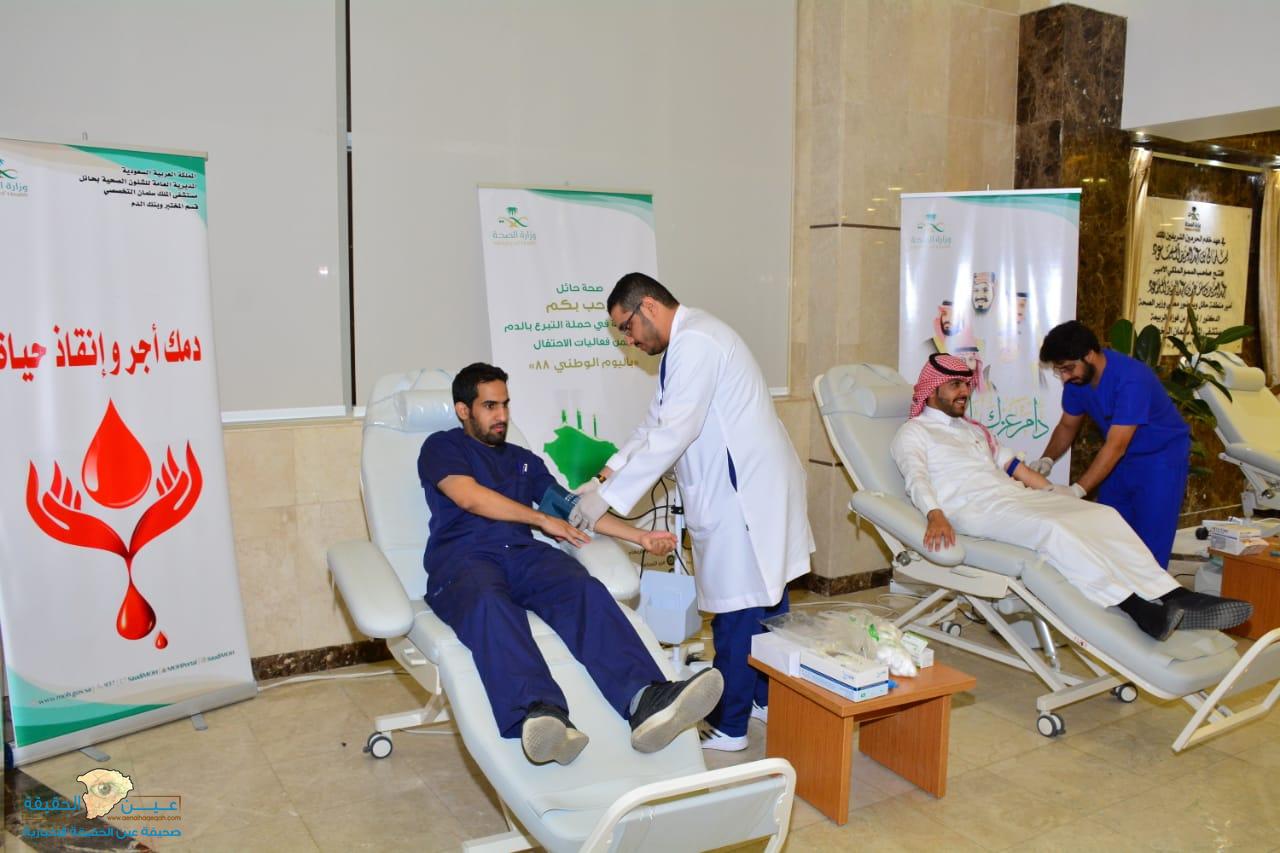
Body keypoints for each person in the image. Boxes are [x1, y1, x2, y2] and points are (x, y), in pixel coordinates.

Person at [419, 362, 724, 766]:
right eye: (490, 406)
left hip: (523, 556)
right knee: (491, 606)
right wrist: (541, 519)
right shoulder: (442, 447)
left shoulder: (523, 460)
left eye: (505, 404)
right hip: (463, 560)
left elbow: (571, 508)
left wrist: (639, 537)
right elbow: (469, 497)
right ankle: (542, 716)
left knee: (583, 588)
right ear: (463, 410)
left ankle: (645, 699)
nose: (502, 415)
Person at [569, 273, 813, 752]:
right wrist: (606, 476)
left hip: (742, 497)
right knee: (767, 602)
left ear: (649, 307)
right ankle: (764, 698)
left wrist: (608, 502)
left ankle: (729, 725)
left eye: (626, 327)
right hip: (748, 491)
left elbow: (674, 432)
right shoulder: (685, 344)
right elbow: (653, 424)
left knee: (739, 610)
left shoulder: (697, 342)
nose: (629, 341)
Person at [891, 354, 1250, 641]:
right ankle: (1140, 610)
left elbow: (1014, 466)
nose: (964, 392)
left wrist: (1056, 493)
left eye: (966, 385)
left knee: (1101, 515)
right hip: (970, 510)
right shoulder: (913, 433)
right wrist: (935, 514)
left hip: (1009, 497)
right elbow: (916, 478)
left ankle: (1171, 594)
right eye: (955, 385)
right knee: (1053, 529)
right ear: (932, 390)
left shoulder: (972, 429)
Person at [1029, 321, 1191, 568]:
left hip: (1160, 461)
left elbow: (1116, 446)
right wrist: (1047, 459)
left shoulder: (1132, 379)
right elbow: (1067, 426)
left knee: (1149, 544)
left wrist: (1077, 490)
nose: (1064, 377)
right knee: (1110, 533)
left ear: (1089, 355)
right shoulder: (1078, 381)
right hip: (1121, 462)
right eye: (1059, 371)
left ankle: (1151, 591)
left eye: (1068, 369)